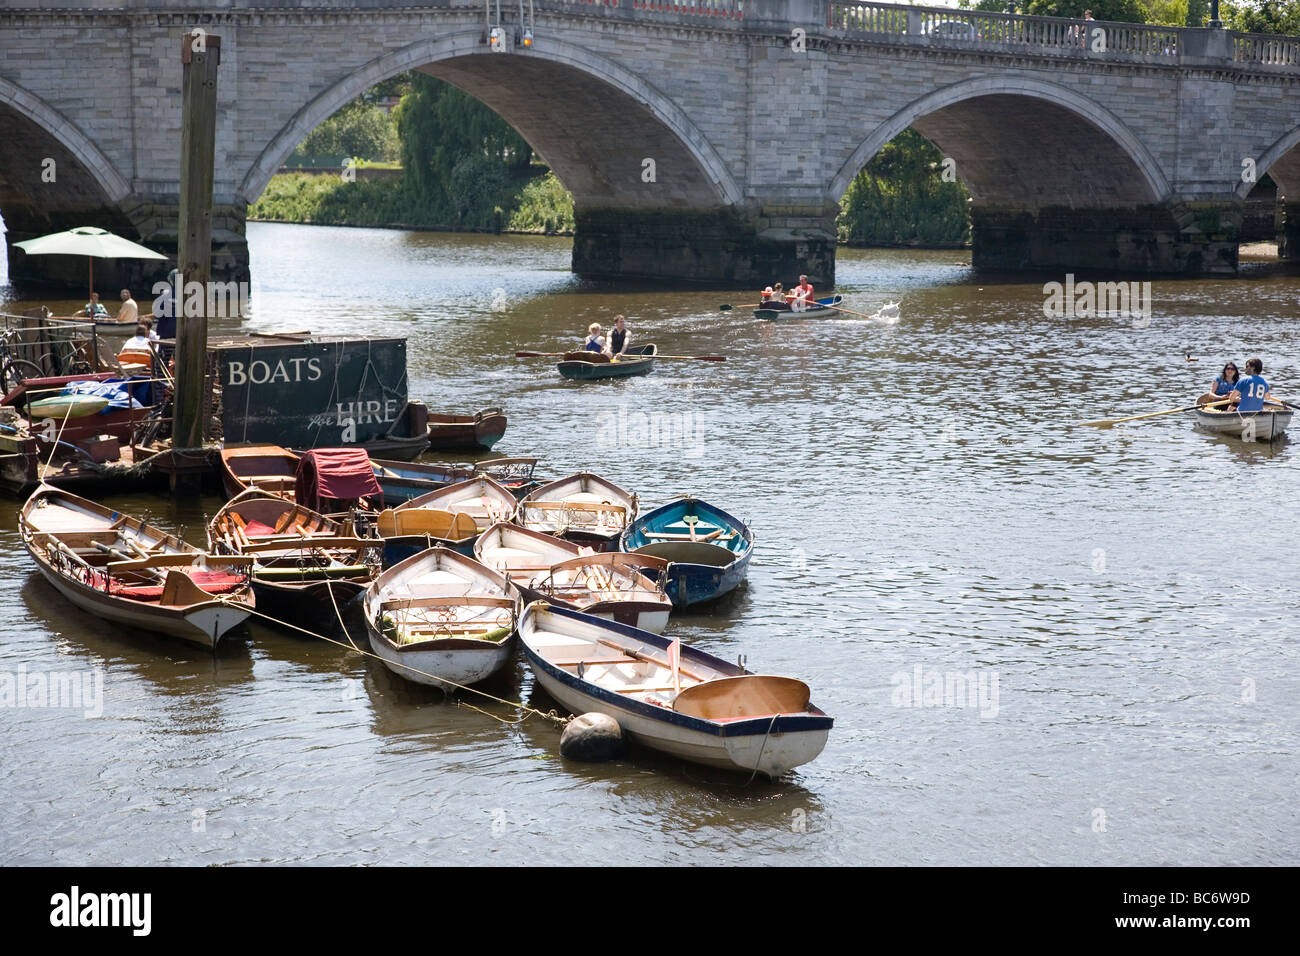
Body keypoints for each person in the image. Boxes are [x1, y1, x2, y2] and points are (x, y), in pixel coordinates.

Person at [153, 269, 178, 340]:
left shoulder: (166, 293)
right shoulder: (189, 293)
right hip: (184, 333)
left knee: (165, 350)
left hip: (166, 332)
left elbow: (157, 314)